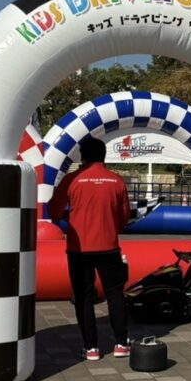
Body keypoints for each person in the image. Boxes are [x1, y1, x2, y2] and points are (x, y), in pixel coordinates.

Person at [48, 137, 132, 361]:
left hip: (79, 249)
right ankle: (121, 344)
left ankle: (91, 348)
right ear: (103, 155)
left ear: (82, 156)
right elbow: (124, 218)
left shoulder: (72, 179)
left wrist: (71, 215)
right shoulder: (116, 181)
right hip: (109, 247)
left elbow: (53, 211)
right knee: (115, 294)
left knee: (84, 297)